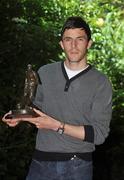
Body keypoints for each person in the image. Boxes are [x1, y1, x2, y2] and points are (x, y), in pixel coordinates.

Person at [2, 16, 112, 180]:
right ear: (61, 44)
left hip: (77, 166)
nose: (73, 46)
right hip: (40, 162)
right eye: (68, 40)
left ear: (89, 43)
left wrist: (57, 126)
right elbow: (35, 108)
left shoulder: (101, 82)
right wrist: (19, 116)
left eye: (79, 40)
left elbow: (99, 134)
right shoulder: (45, 72)